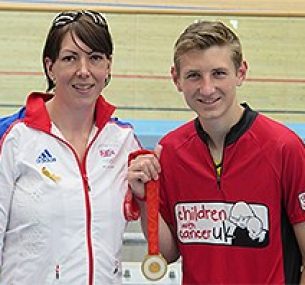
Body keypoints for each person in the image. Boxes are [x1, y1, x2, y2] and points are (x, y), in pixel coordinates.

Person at [128, 20, 305, 284]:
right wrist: (145, 200)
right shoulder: (172, 152)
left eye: (219, 73)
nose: (207, 88)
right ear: (176, 79)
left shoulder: (283, 148)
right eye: (194, 75)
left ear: (241, 72)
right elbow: (167, 253)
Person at [0, 10, 141, 284]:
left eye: (95, 58)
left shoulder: (124, 141)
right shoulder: (12, 138)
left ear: (108, 66)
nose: (84, 71)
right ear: (50, 66)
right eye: (70, 58)